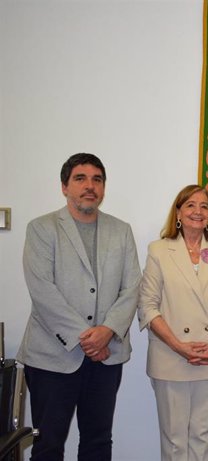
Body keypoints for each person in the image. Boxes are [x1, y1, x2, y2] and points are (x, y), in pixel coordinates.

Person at [17, 153, 141, 460]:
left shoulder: (121, 230)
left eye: (97, 180)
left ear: (103, 188)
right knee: (48, 445)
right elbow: (43, 291)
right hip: (52, 357)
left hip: (106, 357)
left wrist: (107, 331)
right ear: (64, 187)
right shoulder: (42, 228)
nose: (90, 186)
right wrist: (87, 338)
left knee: (98, 442)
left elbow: (132, 287)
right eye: (80, 179)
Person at [138, 184, 208, 461]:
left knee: (205, 437)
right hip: (171, 357)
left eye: (204, 206)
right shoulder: (159, 250)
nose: (198, 211)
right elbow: (147, 306)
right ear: (179, 213)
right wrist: (178, 346)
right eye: (191, 205)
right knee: (174, 441)